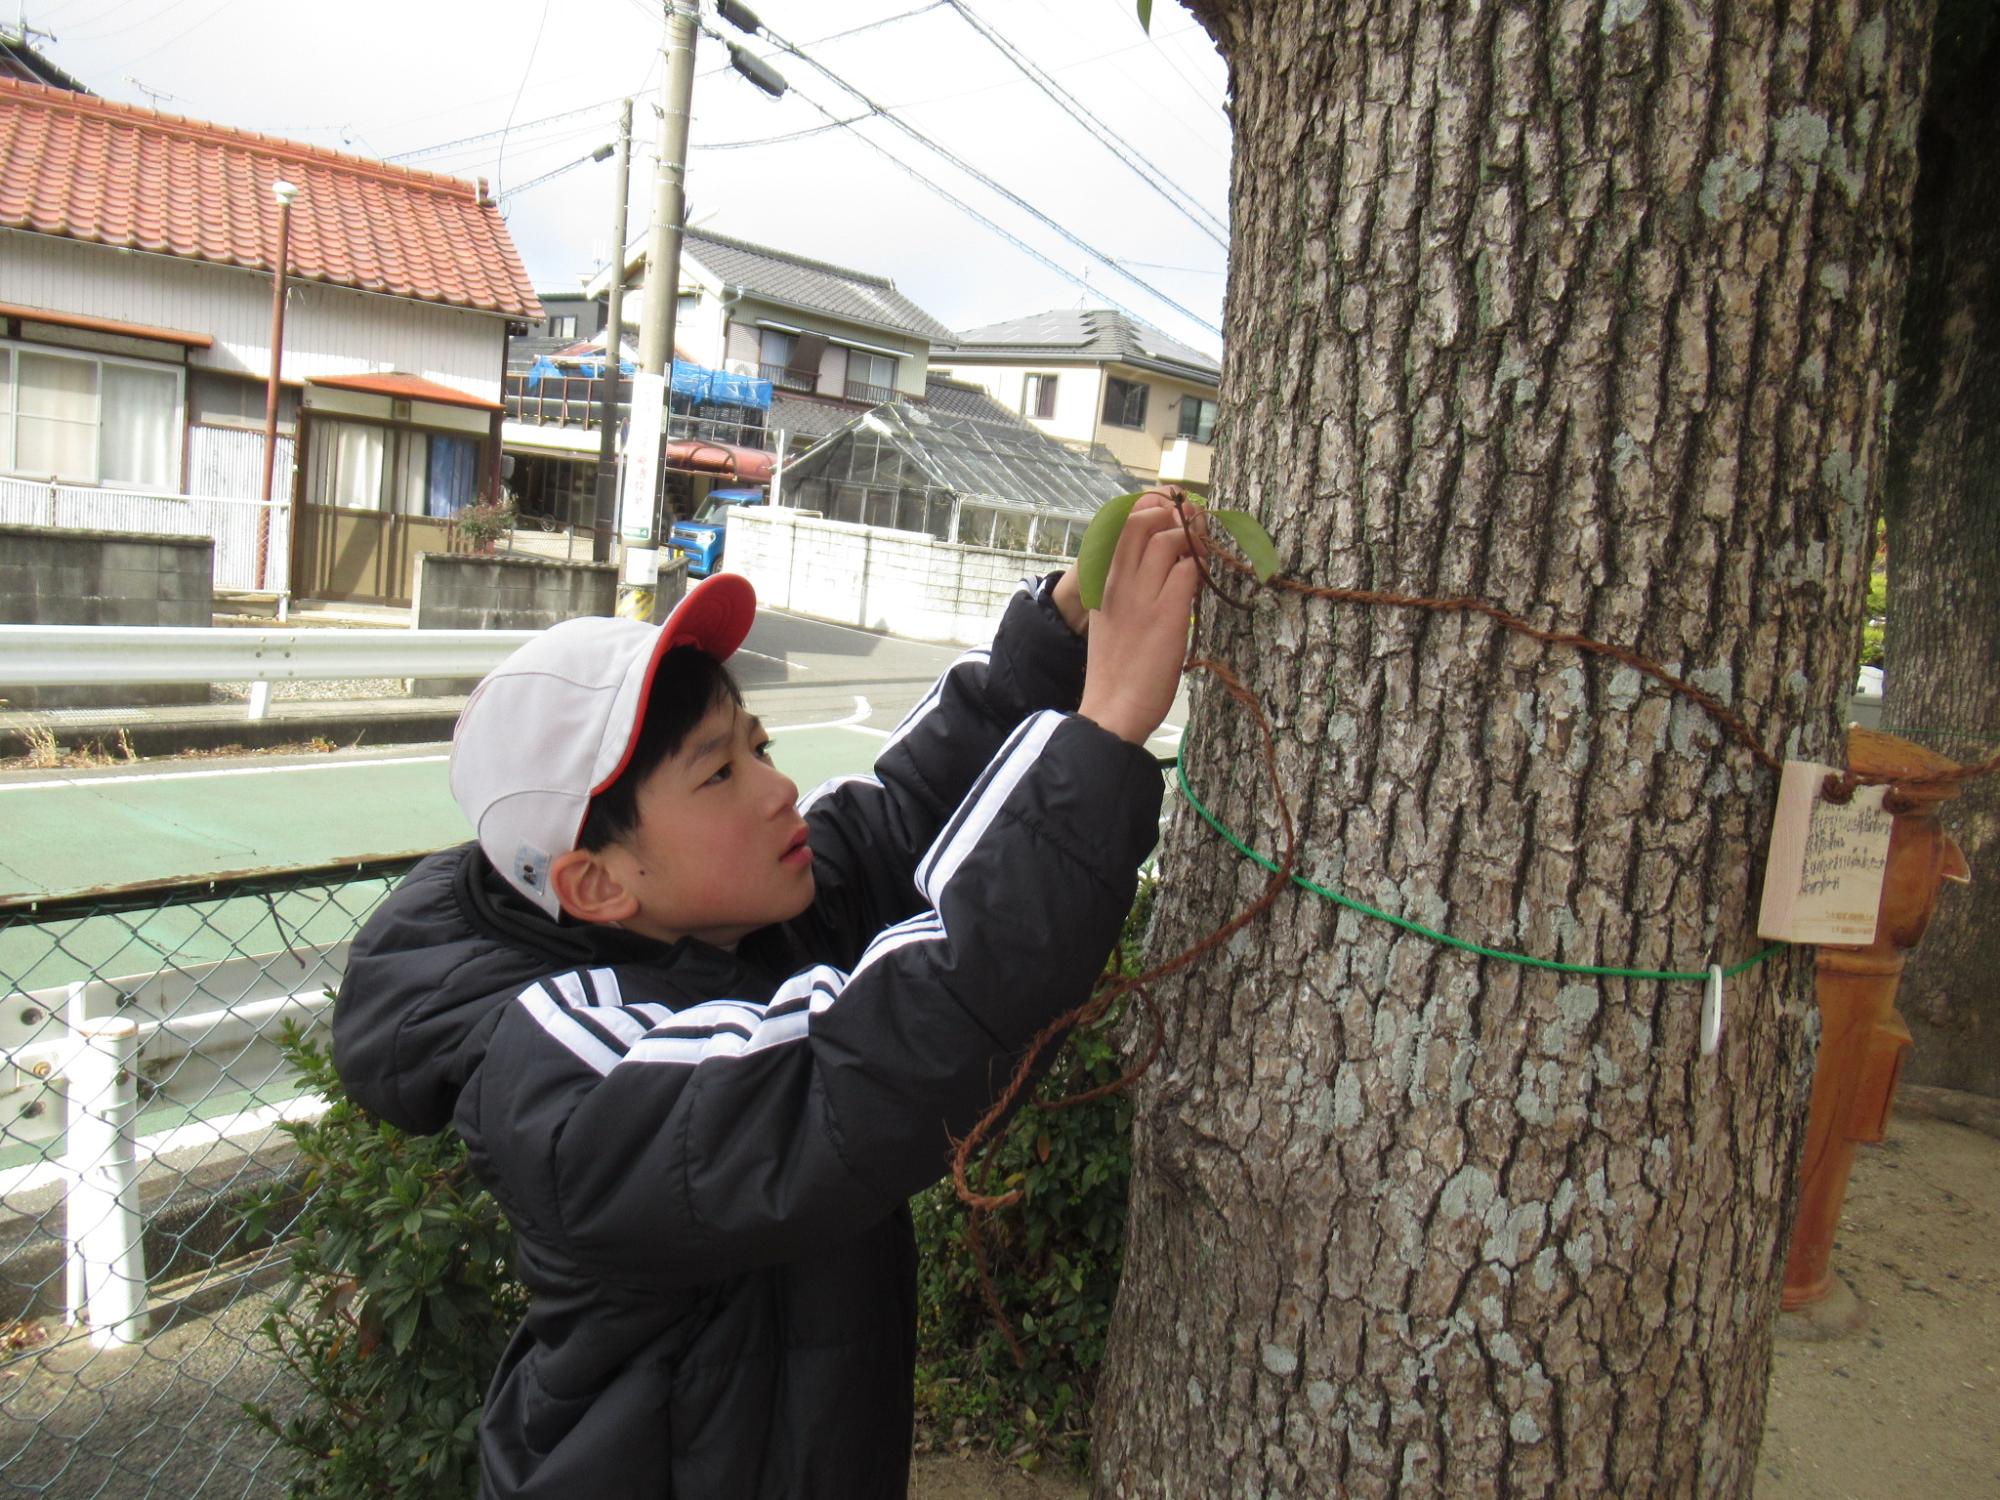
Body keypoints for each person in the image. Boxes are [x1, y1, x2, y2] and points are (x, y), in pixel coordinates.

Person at [332, 494, 1200, 1499]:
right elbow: (866, 1066)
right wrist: (1101, 733)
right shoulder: (562, 1083)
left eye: (759, 747)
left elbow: (897, 826)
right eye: (717, 774)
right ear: (598, 884)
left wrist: (1057, 637)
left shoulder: (719, 921)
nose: (775, 789)